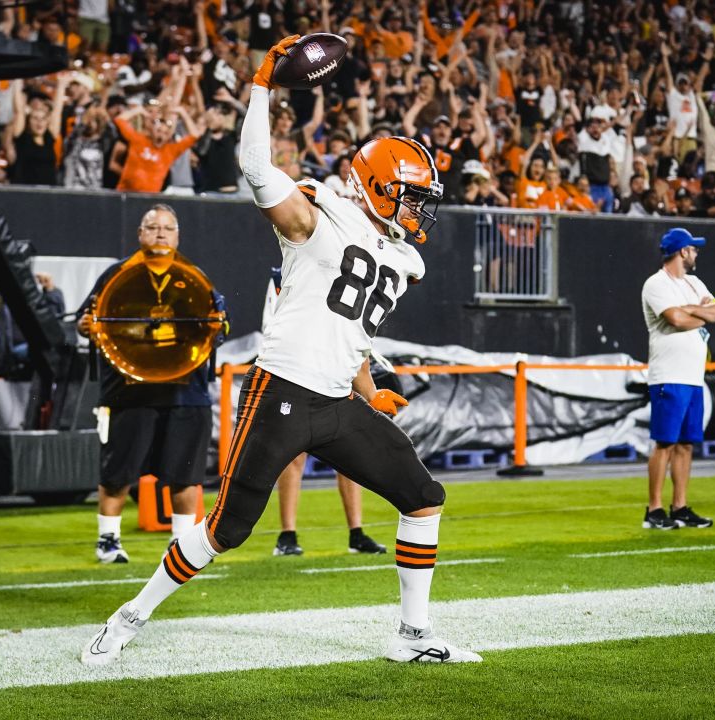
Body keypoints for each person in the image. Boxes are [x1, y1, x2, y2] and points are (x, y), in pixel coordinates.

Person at [82, 35, 480, 666]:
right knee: (226, 529)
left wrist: (370, 389)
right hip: (284, 392)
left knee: (423, 496)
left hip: (338, 400)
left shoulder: (399, 256)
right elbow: (257, 169)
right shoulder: (321, 216)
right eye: (410, 195)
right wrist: (263, 83)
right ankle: (128, 617)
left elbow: (349, 333)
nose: (418, 210)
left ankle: (412, 633)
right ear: (377, 187)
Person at [75, 204, 227, 564]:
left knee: (185, 474)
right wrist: (85, 327)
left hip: (185, 390)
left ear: (178, 236)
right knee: (118, 472)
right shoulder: (118, 276)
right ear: (140, 234)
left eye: (168, 228)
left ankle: (180, 544)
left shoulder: (194, 276)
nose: (160, 233)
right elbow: (89, 319)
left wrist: (216, 328)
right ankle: (108, 539)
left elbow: (220, 325)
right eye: (152, 227)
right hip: (130, 389)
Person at [258, 267, 388, 557]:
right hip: (298, 373)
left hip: (337, 374)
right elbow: (273, 324)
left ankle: (357, 532)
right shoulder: (288, 272)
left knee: (349, 457)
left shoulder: (350, 266)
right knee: (293, 457)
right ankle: (287, 534)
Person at [639, 228, 715, 531]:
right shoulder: (656, 283)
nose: (696, 253)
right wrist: (700, 314)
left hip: (692, 376)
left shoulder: (694, 282)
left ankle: (680, 506)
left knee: (687, 444)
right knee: (665, 443)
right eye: (693, 248)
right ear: (682, 252)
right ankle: (654, 509)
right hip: (669, 375)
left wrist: (692, 310)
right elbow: (675, 319)